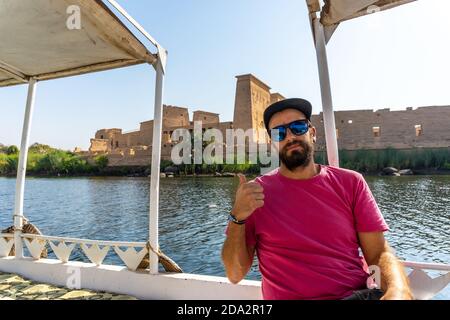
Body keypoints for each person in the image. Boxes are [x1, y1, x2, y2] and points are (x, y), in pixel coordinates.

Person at [222, 98, 413, 300]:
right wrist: (237, 216)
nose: (290, 136)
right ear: (273, 142)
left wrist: (398, 290)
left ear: (312, 133)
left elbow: (377, 253)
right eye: (280, 132)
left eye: (298, 127)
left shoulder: (350, 183)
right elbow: (235, 275)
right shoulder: (255, 195)